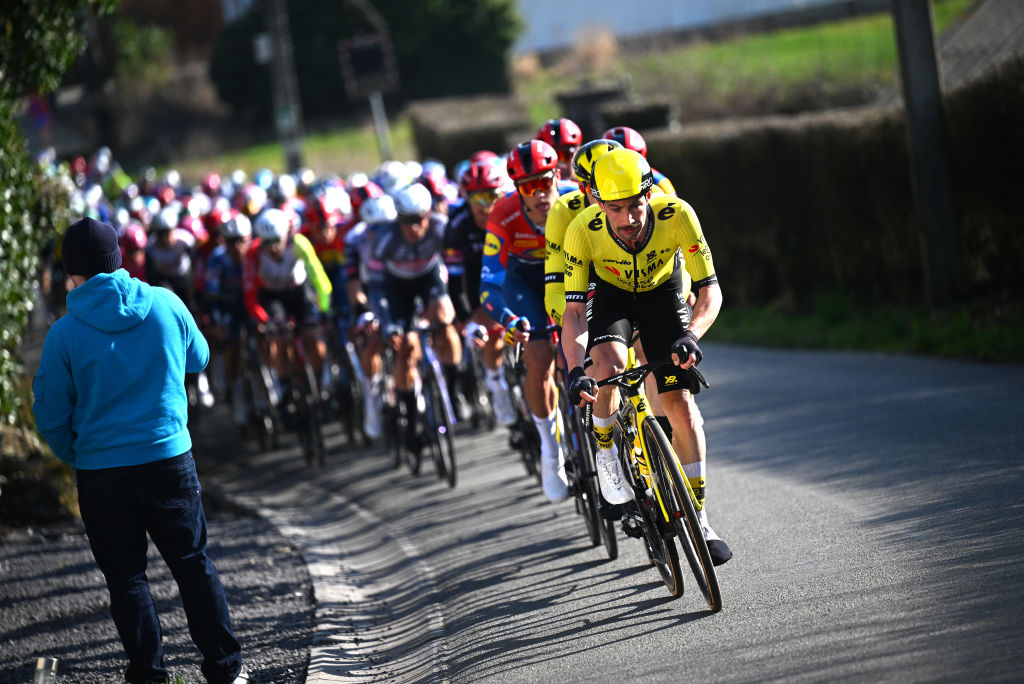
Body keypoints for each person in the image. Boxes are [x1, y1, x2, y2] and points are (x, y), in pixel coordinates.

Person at [32, 217, 247, 683]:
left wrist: (80, 452)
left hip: (102, 473)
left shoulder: (63, 335)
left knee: (128, 580)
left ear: (73, 273)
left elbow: (49, 414)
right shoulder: (165, 303)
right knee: (193, 564)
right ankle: (226, 671)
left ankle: (149, 677)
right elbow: (200, 358)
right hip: (170, 459)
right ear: (119, 260)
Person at [560, 149, 732, 565]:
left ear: (649, 193)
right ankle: (606, 456)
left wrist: (692, 334)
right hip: (611, 299)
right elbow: (572, 313)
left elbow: (711, 290)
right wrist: (576, 370)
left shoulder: (677, 215)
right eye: (615, 208)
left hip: (663, 293)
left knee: (683, 411)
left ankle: (700, 519)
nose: (628, 218)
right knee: (609, 368)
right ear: (599, 204)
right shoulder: (583, 229)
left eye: (635, 205)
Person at [480, 139, 574, 502]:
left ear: (556, 176)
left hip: (566, 274)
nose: (539, 194)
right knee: (539, 361)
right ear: (517, 190)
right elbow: (489, 285)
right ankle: (552, 455)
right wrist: (507, 319)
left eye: (544, 182)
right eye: (527, 187)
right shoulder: (503, 215)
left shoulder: (573, 197)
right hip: (524, 284)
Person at [366, 183, 463, 455]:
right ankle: (409, 420)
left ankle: (453, 392)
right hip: (397, 289)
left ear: (428, 213)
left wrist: (458, 304)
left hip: (429, 278)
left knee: (445, 321)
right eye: (407, 221)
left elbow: (457, 265)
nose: (414, 227)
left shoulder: (441, 227)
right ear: (398, 218)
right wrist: (387, 323)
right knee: (405, 348)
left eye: (419, 218)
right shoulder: (385, 238)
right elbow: (375, 286)